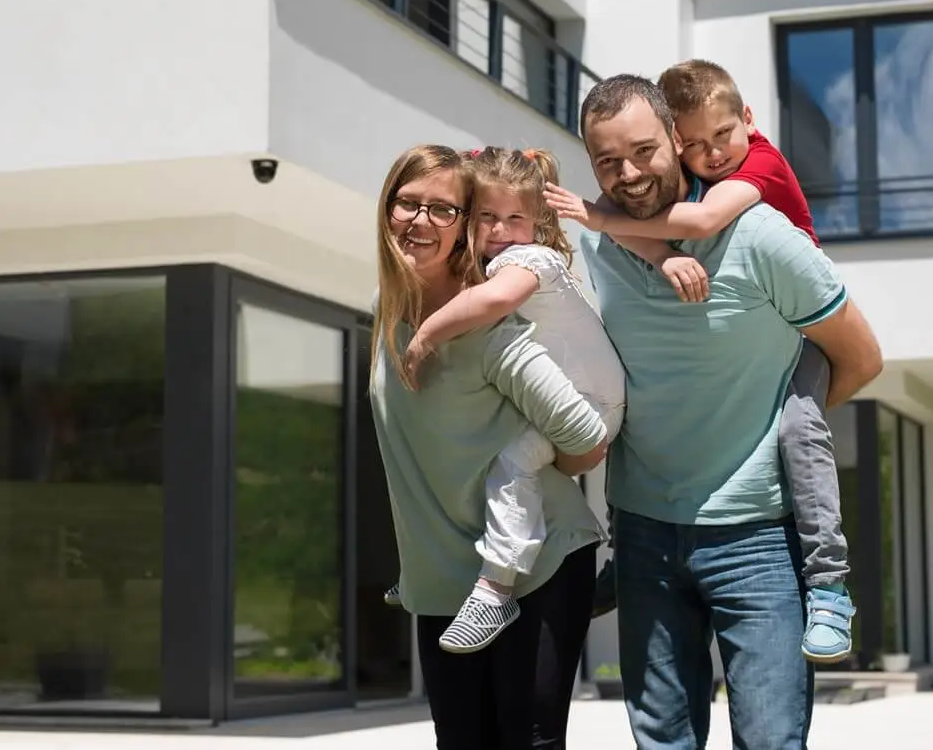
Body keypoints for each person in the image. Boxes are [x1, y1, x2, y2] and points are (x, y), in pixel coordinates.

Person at [572, 76, 882, 750]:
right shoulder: (597, 241)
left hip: (758, 537)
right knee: (663, 741)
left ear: (676, 142)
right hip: (644, 533)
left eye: (644, 151)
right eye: (606, 161)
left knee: (770, 742)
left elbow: (860, 358)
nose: (627, 174)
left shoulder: (763, 236)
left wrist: (781, 430)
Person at [369, 144, 609, 748]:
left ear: (463, 226)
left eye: (443, 210)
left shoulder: (487, 323)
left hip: (537, 565)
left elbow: (584, 439)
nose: (420, 221)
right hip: (443, 574)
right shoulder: (385, 310)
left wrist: (527, 463)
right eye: (407, 203)